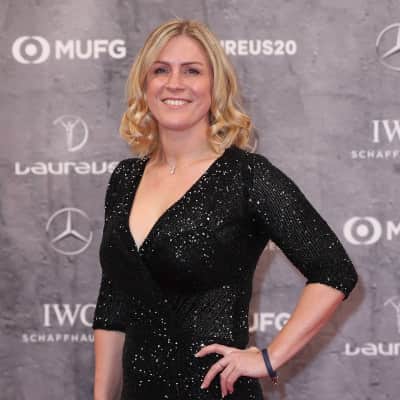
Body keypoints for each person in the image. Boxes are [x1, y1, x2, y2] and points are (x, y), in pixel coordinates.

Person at [91, 18, 358, 400]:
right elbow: (114, 304)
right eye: (161, 70)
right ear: (144, 84)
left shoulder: (247, 177)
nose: (175, 83)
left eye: (192, 71)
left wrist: (269, 358)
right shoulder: (125, 178)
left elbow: (334, 270)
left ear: (216, 86)